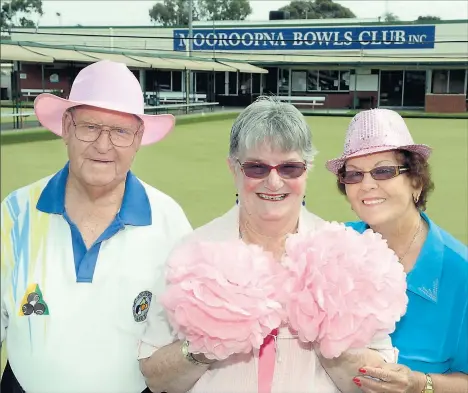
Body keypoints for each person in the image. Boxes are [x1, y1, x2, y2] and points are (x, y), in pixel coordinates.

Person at [138, 96, 399, 393]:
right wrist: (203, 345)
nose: (274, 182)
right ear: (233, 168)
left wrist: (332, 338)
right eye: (257, 168)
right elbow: (155, 377)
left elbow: (379, 380)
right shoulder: (192, 252)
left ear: (308, 169)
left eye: (289, 168)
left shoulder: (343, 255)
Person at [0, 60, 192, 393]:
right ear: (66, 127)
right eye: (90, 126)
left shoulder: (169, 221)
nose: (103, 146)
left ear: (138, 139)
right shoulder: (14, 213)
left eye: (120, 131)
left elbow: (184, 342)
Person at [326, 108, 468, 393]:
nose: (367, 185)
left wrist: (420, 384)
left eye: (383, 171)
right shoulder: (330, 247)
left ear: (416, 181)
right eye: (353, 175)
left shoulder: (460, 272)